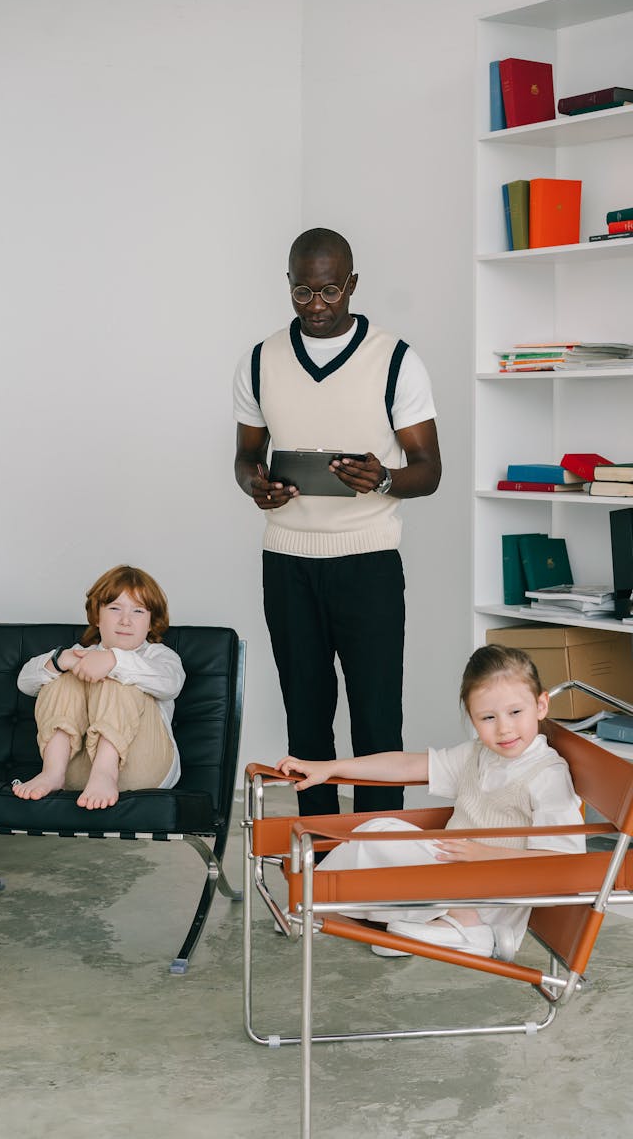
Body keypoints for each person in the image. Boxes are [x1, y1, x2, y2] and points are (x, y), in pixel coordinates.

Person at [234, 227, 442, 818]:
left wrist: (382, 479)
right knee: (306, 716)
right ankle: (319, 859)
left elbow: (429, 470)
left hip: (368, 561)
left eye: (329, 291)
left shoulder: (397, 359)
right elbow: (245, 456)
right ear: (289, 286)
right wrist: (256, 485)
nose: (316, 307)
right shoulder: (260, 360)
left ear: (351, 284)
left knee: (376, 719)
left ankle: (378, 856)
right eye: (302, 292)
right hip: (288, 562)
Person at [276, 644, 585, 960]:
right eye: (488, 717)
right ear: (472, 718)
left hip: (491, 892)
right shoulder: (479, 753)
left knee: (385, 841)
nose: (504, 728)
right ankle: (319, 901)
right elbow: (406, 765)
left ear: (541, 705)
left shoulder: (547, 774)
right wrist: (331, 768)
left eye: (515, 712)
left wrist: (485, 854)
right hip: (452, 870)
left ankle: (466, 927)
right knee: (378, 829)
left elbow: (564, 861)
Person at [13, 565, 185, 810]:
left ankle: (106, 772)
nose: (125, 620)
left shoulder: (159, 656)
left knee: (119, 676)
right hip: (79, 774)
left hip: (143, 769)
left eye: (138, 611)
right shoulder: (82, 653)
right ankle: (52, 772)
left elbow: (171, 684)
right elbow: (25, 682)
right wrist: (63, 660)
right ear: (97, 616)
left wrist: (114, 660)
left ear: (150, 623)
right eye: (115, 608)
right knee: (63, 676)